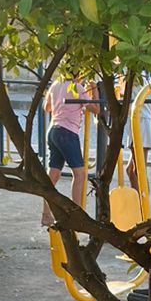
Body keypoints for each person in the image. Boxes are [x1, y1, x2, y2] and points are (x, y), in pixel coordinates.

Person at [41, 78, 95, 227]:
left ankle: (46, 214)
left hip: (53, 130)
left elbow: (47, 107)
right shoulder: (77, 87)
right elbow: (96, 108)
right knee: (80, 174)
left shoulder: (56, 83)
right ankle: (76, 216)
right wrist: (94, 88)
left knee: (53, 174)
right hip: (68, 132)